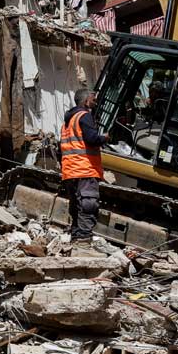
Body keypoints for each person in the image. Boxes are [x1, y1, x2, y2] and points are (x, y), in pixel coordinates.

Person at [60, 88, 108, 252]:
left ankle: (76, 239)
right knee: (88, 205)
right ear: (86, 100)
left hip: (70, 171)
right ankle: (83, 246)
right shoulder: (85, 116)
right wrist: (105, 138)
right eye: (93, 99)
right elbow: (92, 139)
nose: (95, 102)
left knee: (76, 207)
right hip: (85, 169)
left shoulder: (68, 121)